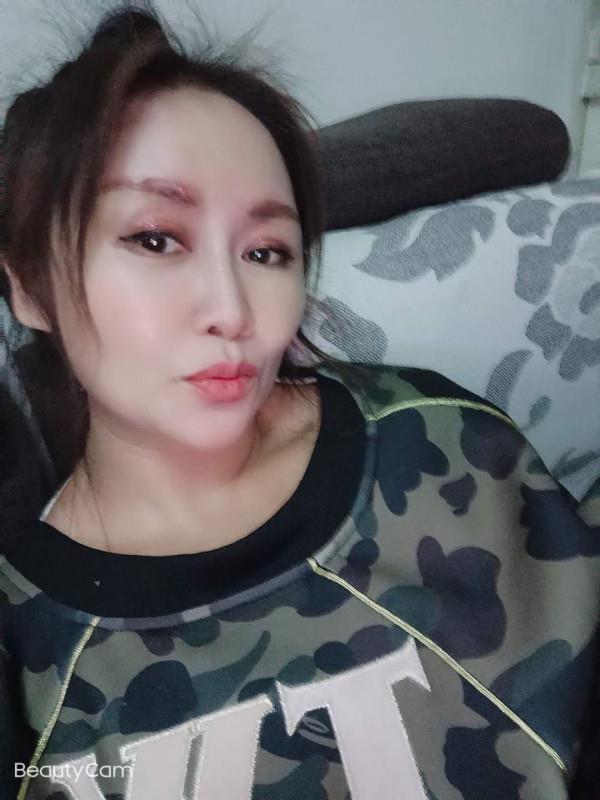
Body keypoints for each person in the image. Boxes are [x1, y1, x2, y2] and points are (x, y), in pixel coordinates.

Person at [0, 6, 598, 800]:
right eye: (155, 239)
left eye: (266, 251)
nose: (232, 310)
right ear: (28, 285)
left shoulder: (437, 438)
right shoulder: (29, 650)